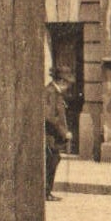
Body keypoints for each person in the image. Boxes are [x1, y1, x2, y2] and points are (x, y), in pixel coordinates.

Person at [45, 70, 71, 201]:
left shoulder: (55, 93)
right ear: (61, 81)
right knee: (51, 161)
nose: (67, 88)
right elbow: (49, 117)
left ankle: (46, 192)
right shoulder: (50, 92)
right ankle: (45, 192)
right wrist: (63, 132)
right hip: (49, 137)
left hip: (53, 138)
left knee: (53, 161)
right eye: (67, 84)